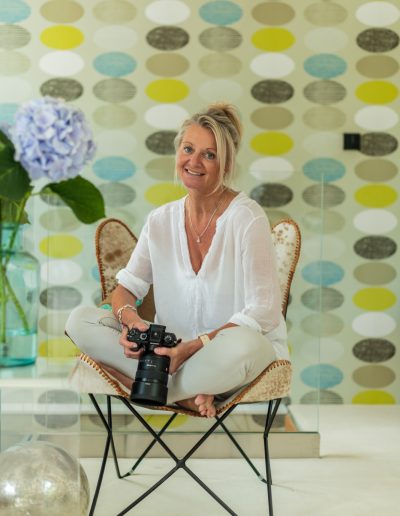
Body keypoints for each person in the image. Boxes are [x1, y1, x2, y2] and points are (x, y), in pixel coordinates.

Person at [65, 102, 288, 418]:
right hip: (168, 356)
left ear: (225, 164)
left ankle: (139, 385)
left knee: (244, 346)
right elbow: (126, 289)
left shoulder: (247, 218)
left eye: (209, 155)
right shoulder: (160, 220)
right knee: (80, 320)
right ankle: (184, 393)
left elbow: (265, 311)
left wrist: (195, 346)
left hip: (222, 354)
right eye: (188, 149)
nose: (194, 162)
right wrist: (132, 323)